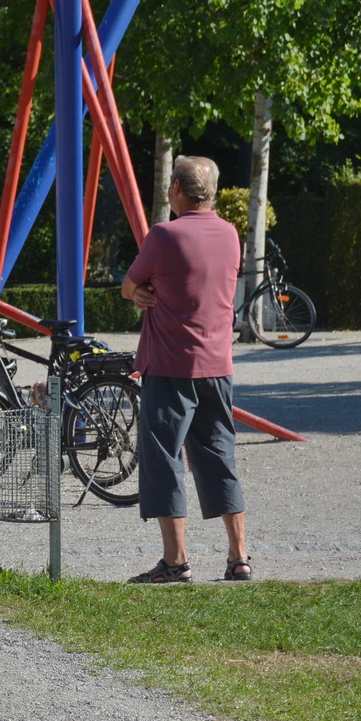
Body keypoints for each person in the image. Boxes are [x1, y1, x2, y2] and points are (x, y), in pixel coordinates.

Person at [121, 155, 251, 583]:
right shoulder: (232, 234)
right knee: (219, 455)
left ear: (176, 188)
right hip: (218, 364)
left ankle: (175, 562)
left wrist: (141, 292)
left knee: (164, 459)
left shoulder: (163, 236)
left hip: (170, 364)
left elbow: (128, 285)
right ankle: (239, 558)